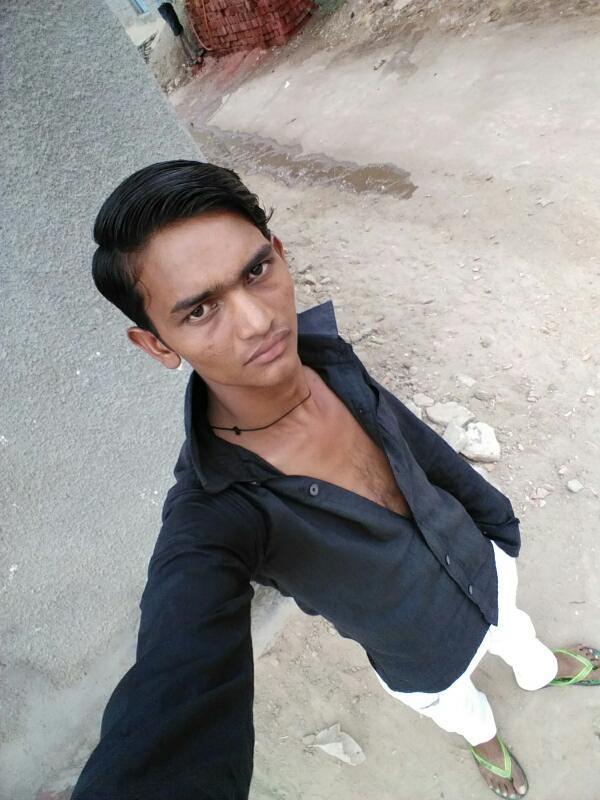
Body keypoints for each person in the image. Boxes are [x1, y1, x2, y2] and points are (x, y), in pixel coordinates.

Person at [71, 160, 599, 799]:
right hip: (421, 656)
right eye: (202, 309)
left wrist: (495, 524)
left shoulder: (322, 352)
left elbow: (418, 446)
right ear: (157, 344)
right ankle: (487, 746)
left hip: (483, 566)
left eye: (256, 271)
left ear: (279, 253)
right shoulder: (215, 513)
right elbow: (175, 695)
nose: (258, 321)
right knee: (460, 712)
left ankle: (544, 672)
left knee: (521, 637)